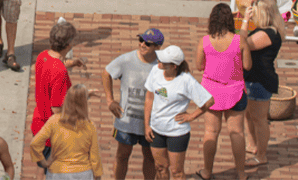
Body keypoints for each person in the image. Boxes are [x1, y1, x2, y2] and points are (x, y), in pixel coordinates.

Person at [195, 2, 252, 180]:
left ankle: (206, 171)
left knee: (211, 132)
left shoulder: (205, 41)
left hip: (211, 93)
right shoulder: (239, 41)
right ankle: (242, 174)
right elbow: (248, 66)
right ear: (230, 20)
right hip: (235, 91)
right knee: (237, 132)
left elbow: (199, 66)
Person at [102, 27, 165, 180]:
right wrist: (110, 100)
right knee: (122, 155)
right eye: (141, 40)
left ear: (157, 47)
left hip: (150, 123)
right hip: (126, 121)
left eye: (148, 43)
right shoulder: (126, 60)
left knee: (150, 157)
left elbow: (166, 91)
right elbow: (106, 73)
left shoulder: (162, 66)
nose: (142, 44)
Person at [144, 45, 214, 180]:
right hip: (156, 130)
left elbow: (209, 101)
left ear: (174, 66)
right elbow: (149, 97)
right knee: (160, 167)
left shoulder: (186, 81)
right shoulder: (155, 71)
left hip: (177, 132)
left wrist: (192, 116)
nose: (159, 61)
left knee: (176, 171)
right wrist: (146, 125)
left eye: (163, 60)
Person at [244, 0, 285, 170]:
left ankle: (261, 155)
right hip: (253, 79)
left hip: (260, 81)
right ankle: (253, 145)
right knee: (249, 115)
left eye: (255, 12)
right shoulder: (267, 31)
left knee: (259, 119)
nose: (252, 15)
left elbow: (243, 44)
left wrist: (244, 22)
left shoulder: (268, 33)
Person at [30, 84, 103, 180]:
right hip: (83, 173)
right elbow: (94, 157)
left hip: (58, 172)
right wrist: (97, 175)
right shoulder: (89, 126)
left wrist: (44, 162)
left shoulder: (54, 121)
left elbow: (35, 144)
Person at [31, 20, 79, 136]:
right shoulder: (60, 72)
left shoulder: (42, 56)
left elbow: (53, 66)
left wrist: (73, 63)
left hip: (38, 124)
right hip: (52, 133)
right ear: (68, 45)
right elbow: (56, 108)